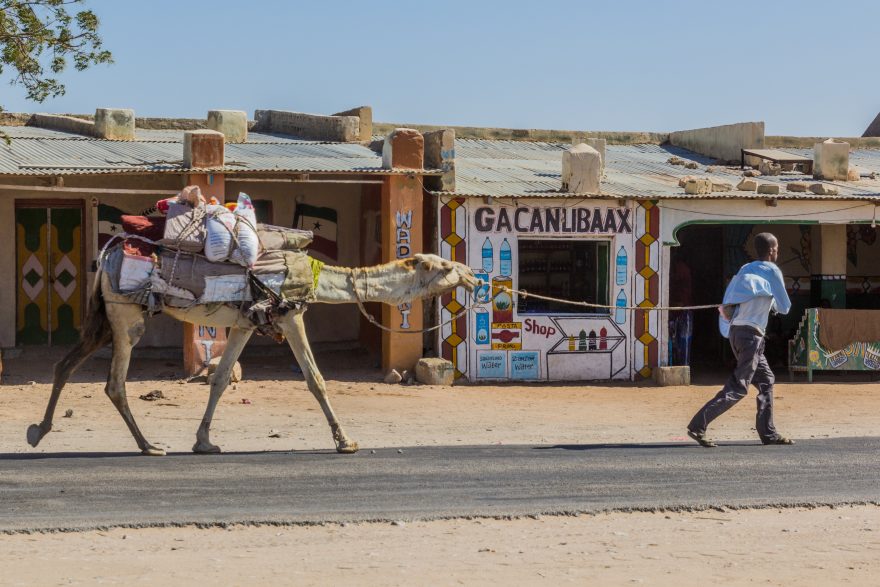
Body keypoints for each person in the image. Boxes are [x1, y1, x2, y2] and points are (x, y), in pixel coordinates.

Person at [687, 232, 793, 448]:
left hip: (736, 333)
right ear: (773, 250)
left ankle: (769, 433)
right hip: (751, 336)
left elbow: (733, 304)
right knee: (739, 387)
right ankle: (698, 425)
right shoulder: (773, 271)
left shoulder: (744, 270)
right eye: (776, 249)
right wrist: (771, 299)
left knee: (766, 380)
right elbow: (785, 307)